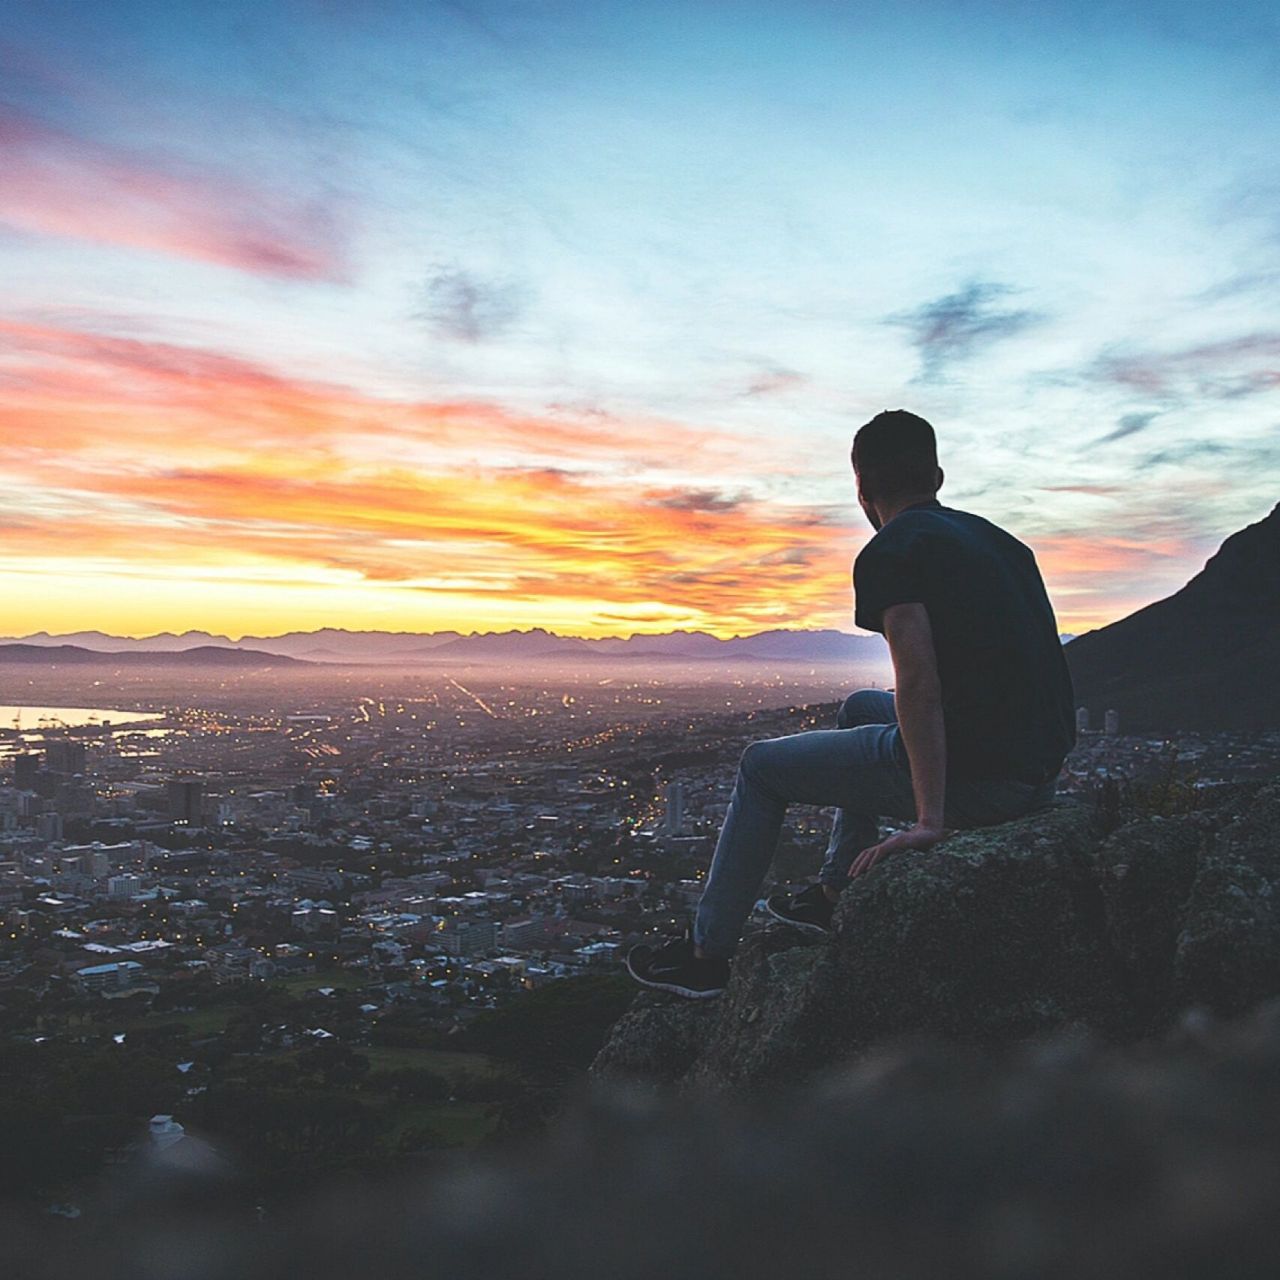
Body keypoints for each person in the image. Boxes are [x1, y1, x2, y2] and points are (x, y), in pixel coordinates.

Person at [627, 409, 1076, 998]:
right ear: (937, 477)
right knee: (863, 705)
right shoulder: (1003, 543)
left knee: (761, 768)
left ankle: (706, 956)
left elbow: (918, 682)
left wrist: (930, 822)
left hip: (981, 780)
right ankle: (834, 890)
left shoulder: (894, 549)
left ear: (861, 489)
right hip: (1034, 774)